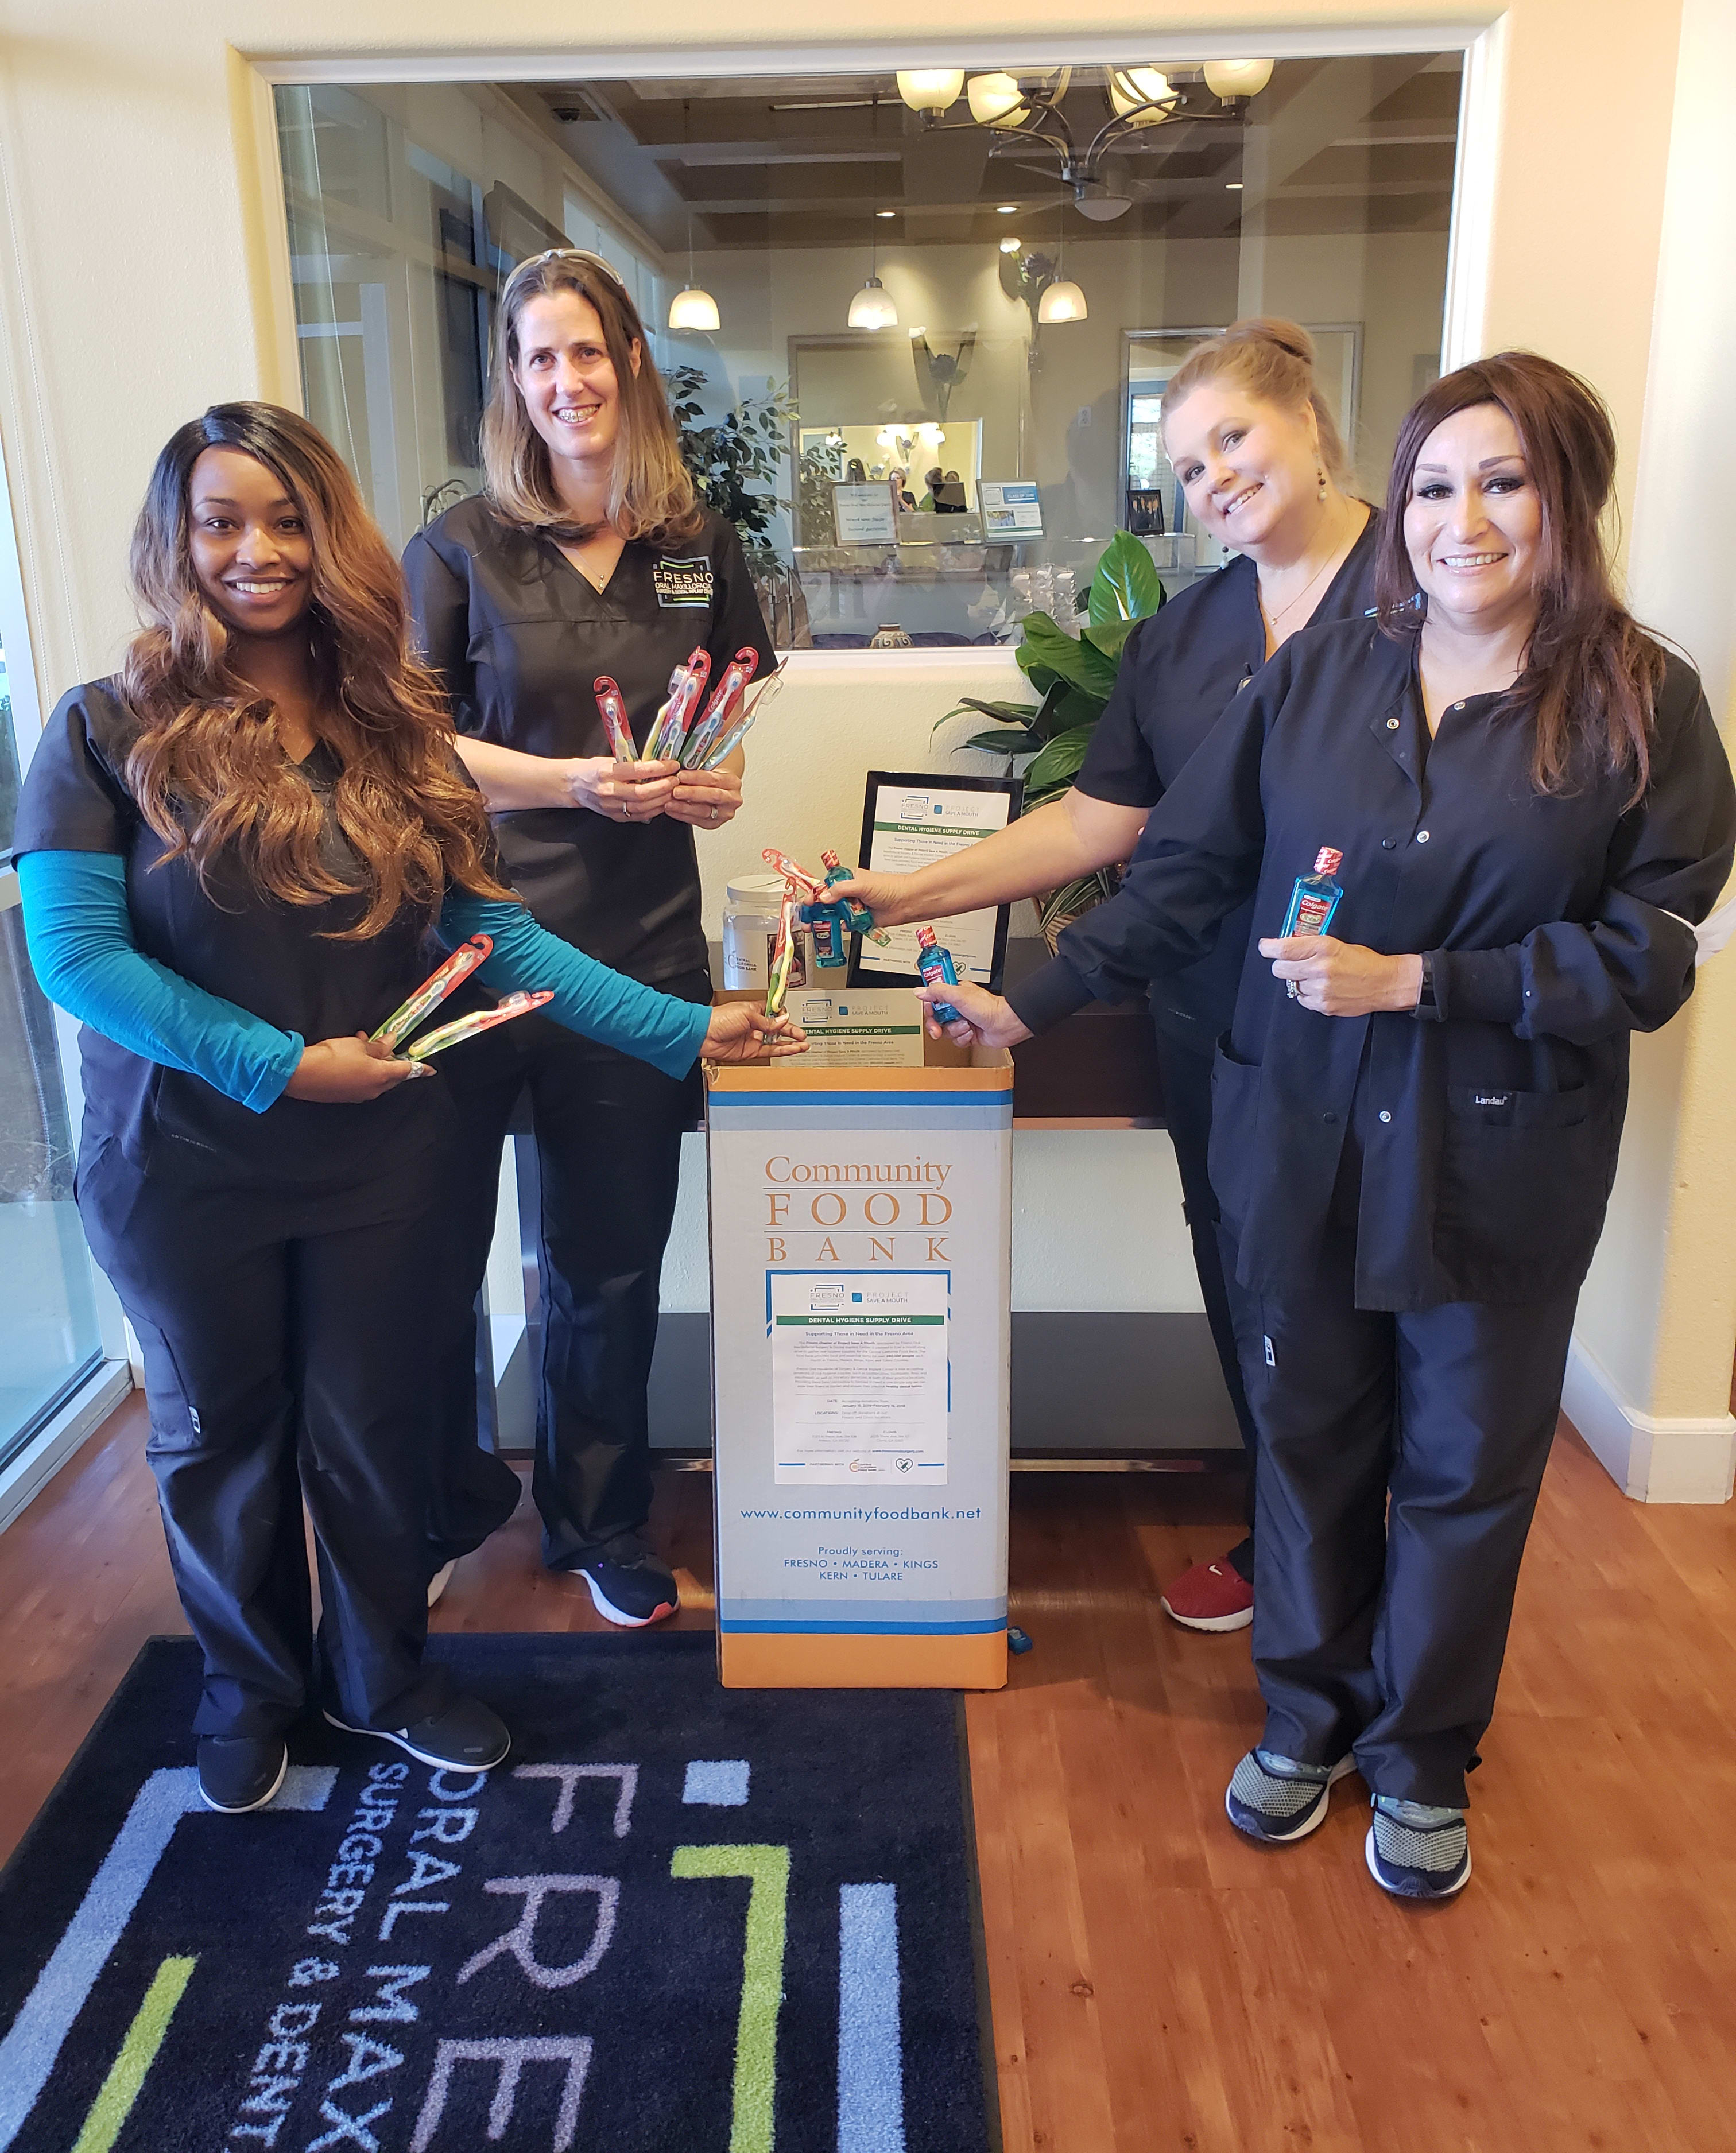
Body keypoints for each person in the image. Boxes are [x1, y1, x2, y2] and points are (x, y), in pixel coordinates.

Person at [910, 352, 1735, 1900]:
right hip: (1298, 1131)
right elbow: (1186, 872)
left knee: (1464, 1467)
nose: (1462, 521)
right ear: (1399, 503)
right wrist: (1035, 999)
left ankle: (1419, 1757)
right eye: (1436, 487)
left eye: (1504, 483)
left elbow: (1649, 956)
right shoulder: (1319, 679)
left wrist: (1422, 981)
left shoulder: (1644, 703)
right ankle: (1305, 1714)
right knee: (1306, 1443)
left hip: (1497, 1153)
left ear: (1568, 497)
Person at [14, 404, 793, 1814]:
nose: (257, 551)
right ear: (176, 542)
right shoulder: (102, 727)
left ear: (336, 539)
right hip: (183, 1162)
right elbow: (77, 959)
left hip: (380, 1155)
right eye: (221, 523)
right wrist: (276, 1063)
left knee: (373, 1429)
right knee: (220, 1440)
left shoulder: (398, 729)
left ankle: (382, 1679)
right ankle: (249, 1692)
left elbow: (503, 937)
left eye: (289, 520)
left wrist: (685, 1029)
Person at [832, 319, 1377, 1632]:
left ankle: (1388, 1581)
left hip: (1388, 1024)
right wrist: (911, 891)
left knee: (1378, 1304)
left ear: (1310, 424)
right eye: (1187, 467)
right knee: (1247, 1287)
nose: (1215, 480)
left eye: (1233, 439)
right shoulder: (1179, 641)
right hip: (1216, 1024)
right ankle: (1290, 1549)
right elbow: (1093, 827)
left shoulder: (1426, 596)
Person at [402, 251, 771, 1628]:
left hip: (641, 959)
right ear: (513, 379)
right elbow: (411, 748)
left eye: (588, 352)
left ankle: (601, 1521)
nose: (568, 381)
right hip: (475, 952)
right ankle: (433, 1510)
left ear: (631, 362)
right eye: (540, 358)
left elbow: (724, 724)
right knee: (435, 1253)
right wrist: (570, 783)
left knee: (610, 1264)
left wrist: (716, 784)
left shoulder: (698, 542)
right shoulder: (459, 547)